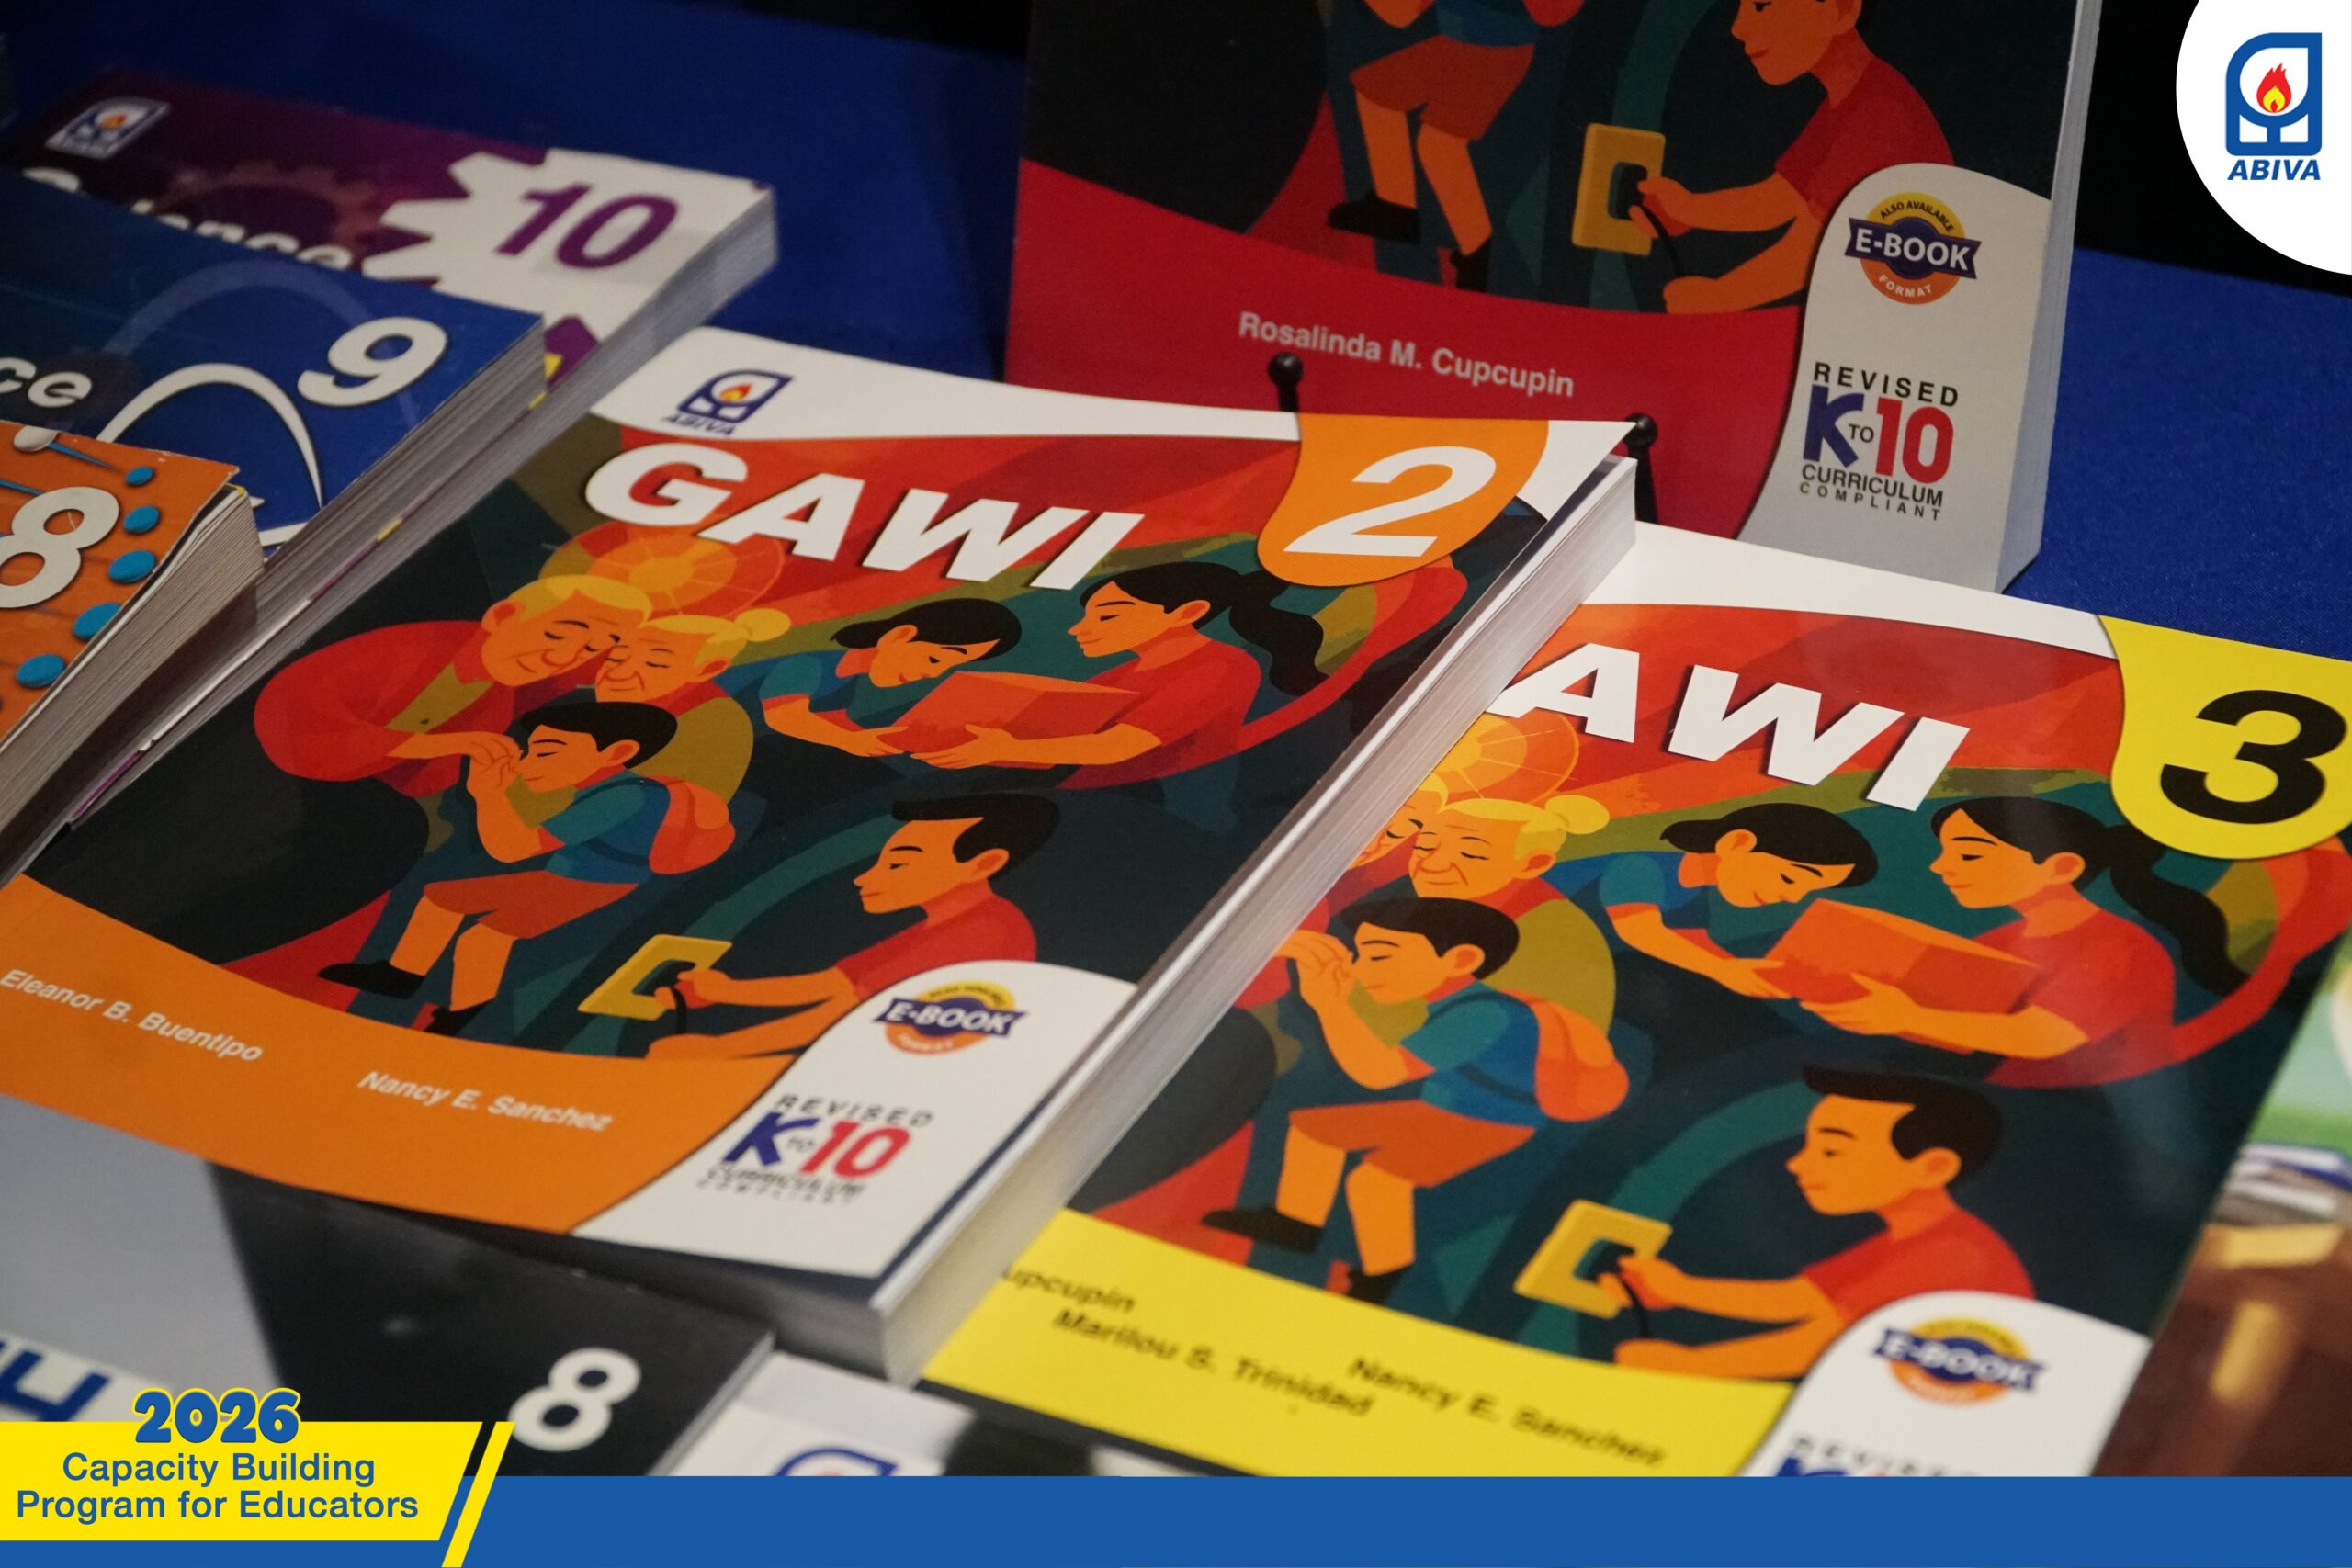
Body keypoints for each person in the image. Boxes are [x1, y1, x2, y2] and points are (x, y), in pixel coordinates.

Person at [1205, 896, 1600, 1304]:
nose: (1361, 970)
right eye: (1361, 955)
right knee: (1315, 1130)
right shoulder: (1458, 1004)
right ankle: (1296, 1225)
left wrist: (1330, 1004)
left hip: (1491, 1123)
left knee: (1376, 1180)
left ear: (1461, 959)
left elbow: (1380, 1074)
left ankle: (1384, 1275)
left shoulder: (1482, 1013)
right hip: (1445, 1111)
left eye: (1379, 956)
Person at [1611, 1065, 2030, 1380]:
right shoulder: (1914, 1238)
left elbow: (1821, 1341)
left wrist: (1692, 1365)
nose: (1797, 1164)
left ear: (1932, 1167)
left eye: (1830, 1151)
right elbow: (1799, 1299)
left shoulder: (1954, 1253)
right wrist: (1679, 1289)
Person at [1802, 797, 2241, 1088]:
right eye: (1946, 852)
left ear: (2062, 866)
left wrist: (1904, 1014)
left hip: (2081, 1120)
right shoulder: (1999, 939)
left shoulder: (2116, 945)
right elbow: (1951, 1021)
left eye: (1969, 853)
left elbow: (2043, 1036)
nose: (1940, 867)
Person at [320, 702, 679, 1037]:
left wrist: (488, 793)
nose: (524, 765)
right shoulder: (608, 789)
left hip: (596, 884)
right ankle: (400, 976)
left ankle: (464, 1015)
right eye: (530, 751)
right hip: (565, 875)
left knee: (484, 937)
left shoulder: (627, 795)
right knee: (441, 898)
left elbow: (513, 850)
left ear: (616, 753)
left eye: (546, 752)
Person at [647, 793, 1059, 1061]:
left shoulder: (984, 929)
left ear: (983, 864)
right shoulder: (940, 926)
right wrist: (724, 991)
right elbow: (831, 984)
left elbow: (843, 1010)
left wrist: (720, 1048)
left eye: (898, 863)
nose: (864, 878)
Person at [1634, 0, 1950, 313]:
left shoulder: (1880, 113)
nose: (1738, 28)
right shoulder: (1850, 97)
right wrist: (1686, 208)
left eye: (1761, 5)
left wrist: (1720, 296)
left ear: (1842, 10)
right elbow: (1779, 200)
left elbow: (1811, 245)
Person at [917, 561, 1325, 787]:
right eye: (1088, 616)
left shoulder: (1221, 666)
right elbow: (1058, 737)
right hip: (1081, 789)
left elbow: (1118, 747)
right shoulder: (1121, 672)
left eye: (1108, 616)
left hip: (1157, 805)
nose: (1078, 630)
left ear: (1187, 612)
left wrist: (1003, 749)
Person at [254, 575, 650, 803]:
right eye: (556, 635)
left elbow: (425, 784)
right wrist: (447, 744)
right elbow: (294, 720)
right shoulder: (410, 648)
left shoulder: (501, 693)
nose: (562, 657)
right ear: (502, 616)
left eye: (589, 649)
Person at [1329, 0, 1587, 291]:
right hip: (1464, 47)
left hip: (1493, 57)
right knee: (1380, 94)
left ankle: (1477, 255)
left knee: (1439, 147)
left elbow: (1554, 13)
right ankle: (1397, 211)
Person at [1592, 802, 1876, 998]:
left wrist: (1772, 977)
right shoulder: (1639, 865)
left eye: (1806, 891)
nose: (1791, 898)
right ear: (1736, 843)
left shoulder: (1693, 893)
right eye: (1789, 879)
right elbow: (1640, 931)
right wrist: (1722, 970)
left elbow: (1695, 945)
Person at [588, 607, 793, 871]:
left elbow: (656, 816)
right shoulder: (612, 706)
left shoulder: (709, 722)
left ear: (708, 669)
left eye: (653, 663)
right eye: (616, 658)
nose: (618, 673)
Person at [1409, 794, 1615, 1027]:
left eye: (1469, 852)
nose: (1430, 864)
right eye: (1424, 846)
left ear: (1532, 864)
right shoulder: (1433, 904)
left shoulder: (1546, 930)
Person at [754, 599, 1023, 758]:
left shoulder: (846, 682)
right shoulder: (806, 664)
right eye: (934, 659)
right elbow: (785, 717)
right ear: (899, 636)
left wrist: (920, 742)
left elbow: (835, 724)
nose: (932, 674)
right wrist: (848, 741)